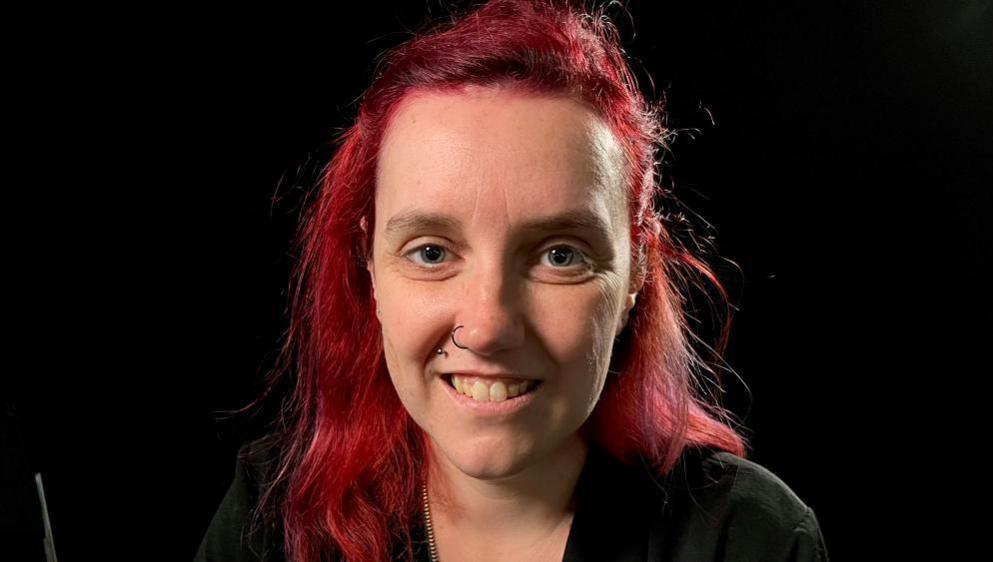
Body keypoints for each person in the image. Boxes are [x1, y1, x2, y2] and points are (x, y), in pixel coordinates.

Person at [195, 1, 829, 561]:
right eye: (431, 252)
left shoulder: (749, 539)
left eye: (559, 255)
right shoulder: (274, 515)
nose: (490, 326)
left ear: (636, 269)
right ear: (369, 268)